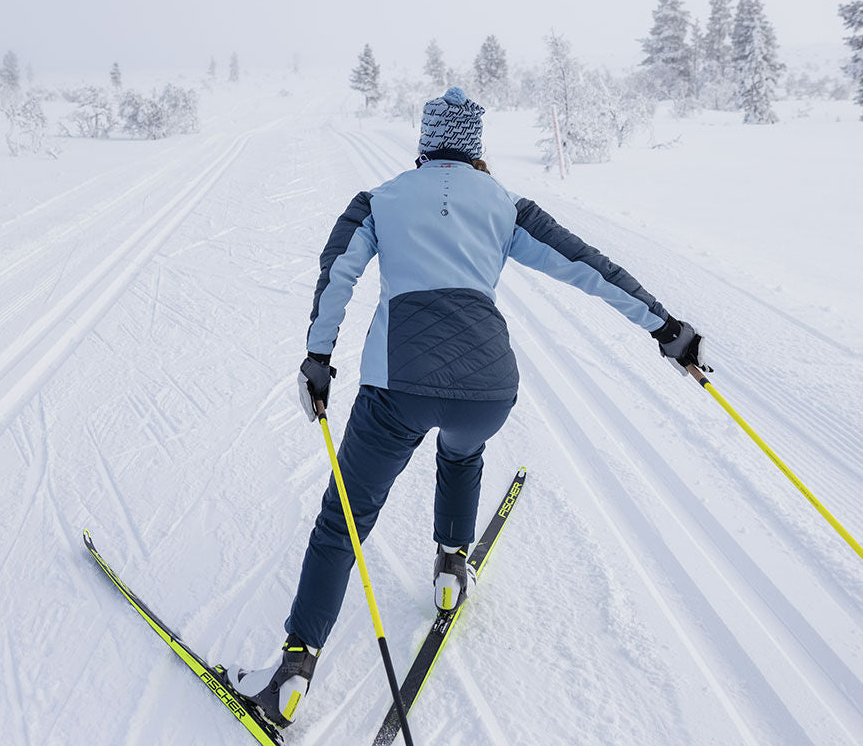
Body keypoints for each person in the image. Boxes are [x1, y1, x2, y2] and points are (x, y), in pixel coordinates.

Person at [228, 86, 709, 728]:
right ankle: (452, 564)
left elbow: (335, 275)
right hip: (489, 388)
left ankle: (292, 670)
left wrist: (319, 361)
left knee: (345, 519)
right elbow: (588, 266)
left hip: (395, 386)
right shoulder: (506, 205)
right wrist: (665, 328)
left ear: (426, 143)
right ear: (476, 148)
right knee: (462, 450)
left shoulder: (379, 200)